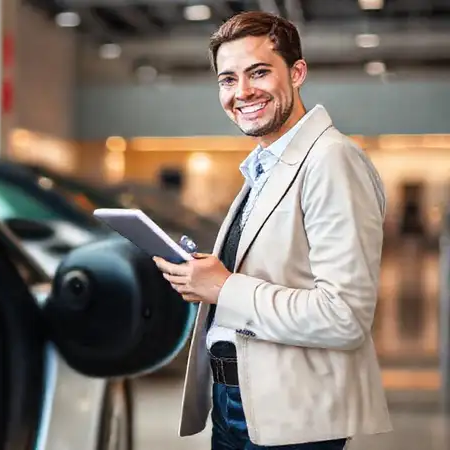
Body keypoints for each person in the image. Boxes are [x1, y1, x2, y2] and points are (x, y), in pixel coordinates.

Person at [152, 10, 392, 449]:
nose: (242, 92)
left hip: (291, 412)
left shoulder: (331, 161)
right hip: (239, 401)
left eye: (258, 72)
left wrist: (224, 287)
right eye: (227, 79)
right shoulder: (269, 164)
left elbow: (344, 318)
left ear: (297, 72)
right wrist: (207, 275)